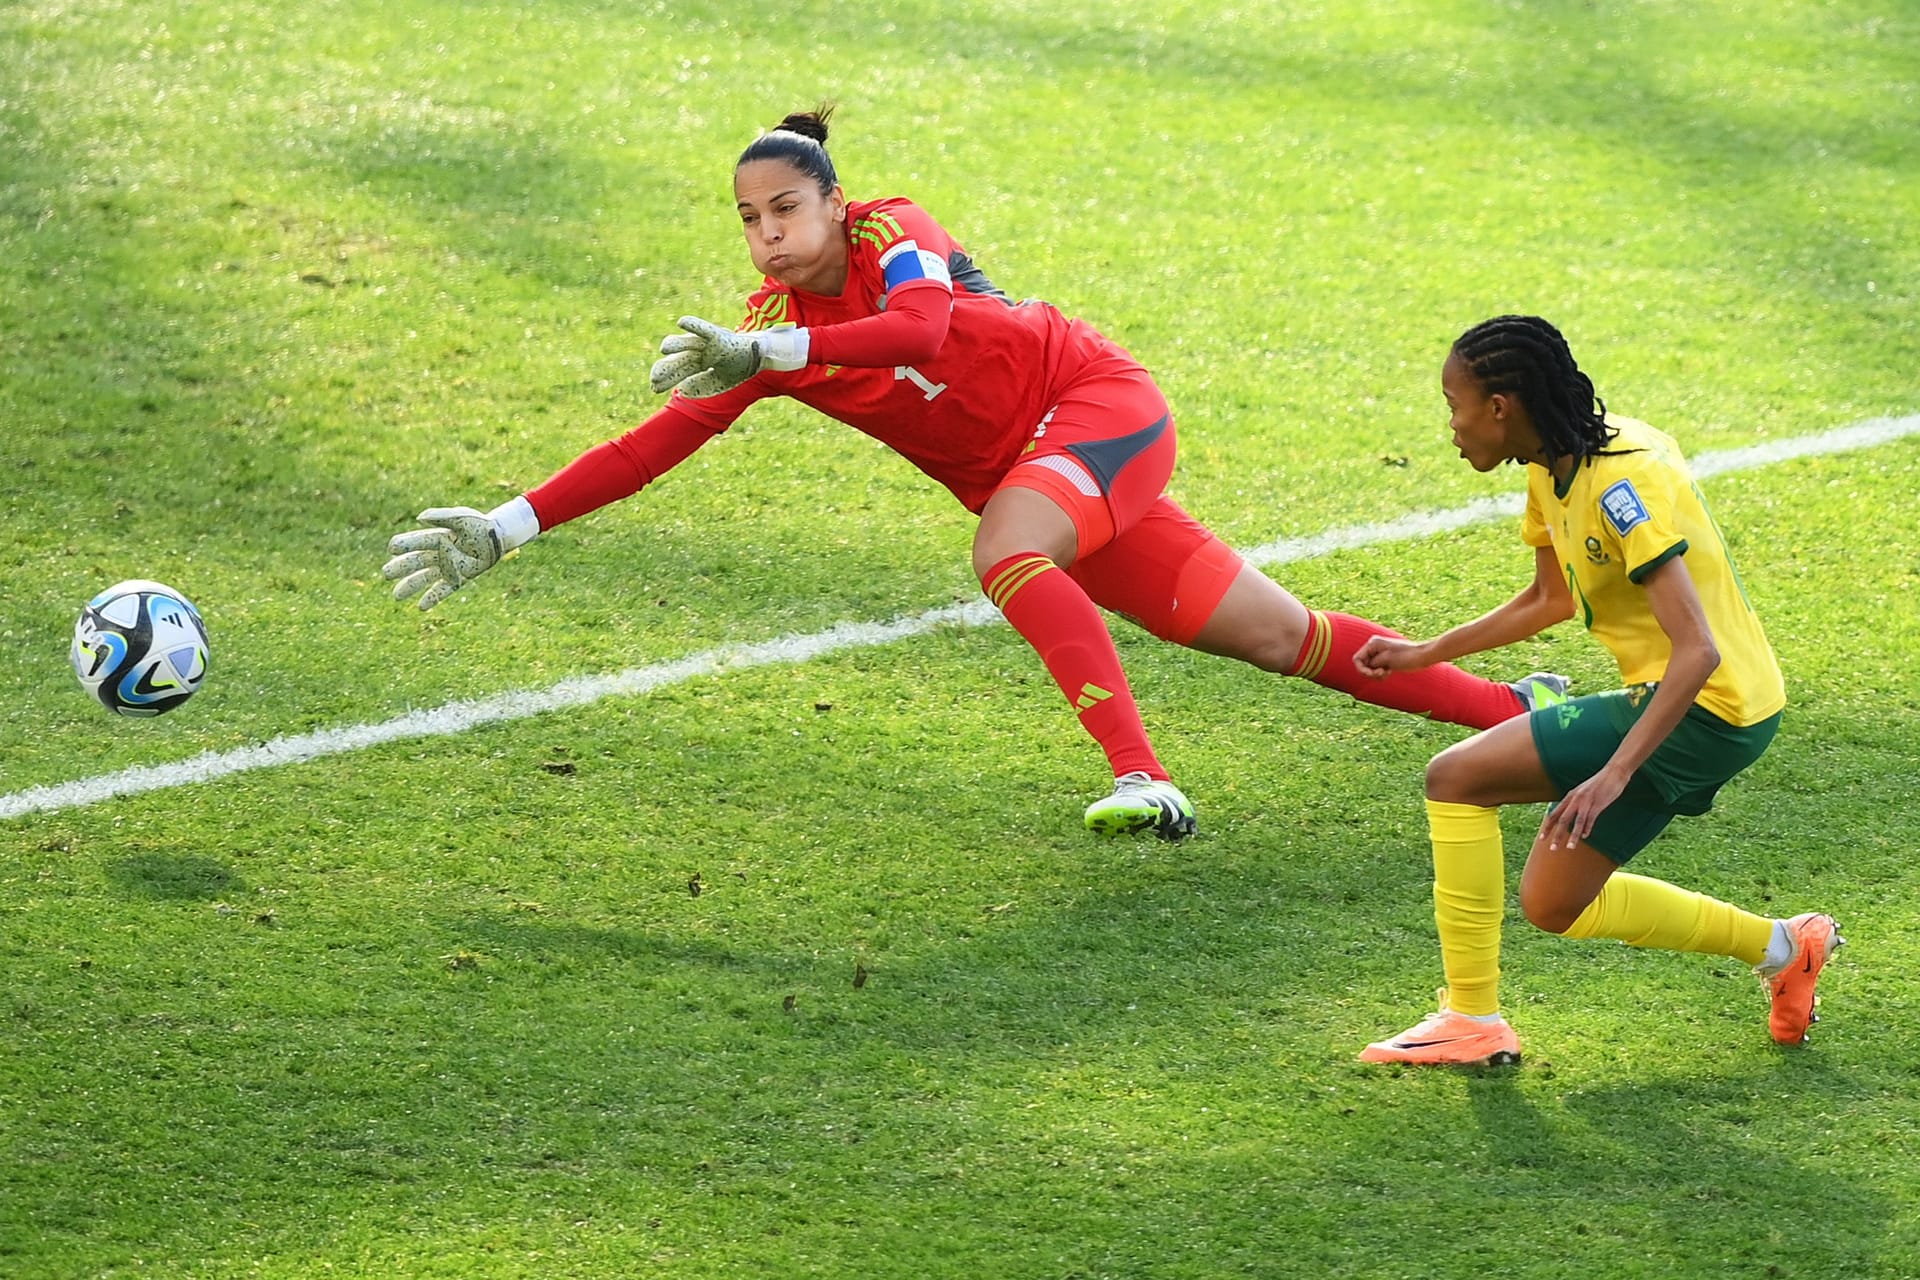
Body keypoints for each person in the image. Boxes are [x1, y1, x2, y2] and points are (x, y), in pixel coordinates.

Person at [381, 107, 1566, 840]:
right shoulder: (761, 332)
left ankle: (1145, 779)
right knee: (1281, 636)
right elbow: (652, 447)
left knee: (1004, 550)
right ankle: (1535, 720)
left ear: (835, 202)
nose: (767, 234)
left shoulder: (895, 233)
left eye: (785, 208)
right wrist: (508, 522)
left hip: (1098, 411)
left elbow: (924, 335)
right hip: (1051, 477)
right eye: (748, 218)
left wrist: (778, 347)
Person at [1352, 314, 1839, 1066]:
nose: (1450, 426)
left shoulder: (1622, 482)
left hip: (1705, 707)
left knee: (1456, 777)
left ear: (1501, 407)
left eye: (1454, 404)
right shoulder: (1551, 466)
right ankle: (1787, 948)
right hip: (1705, 709)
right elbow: (1547, 598)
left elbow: (1697, 651)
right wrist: (1427, 652)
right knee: (1553, 904)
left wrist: (1612, 774)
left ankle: (1471, 1021)